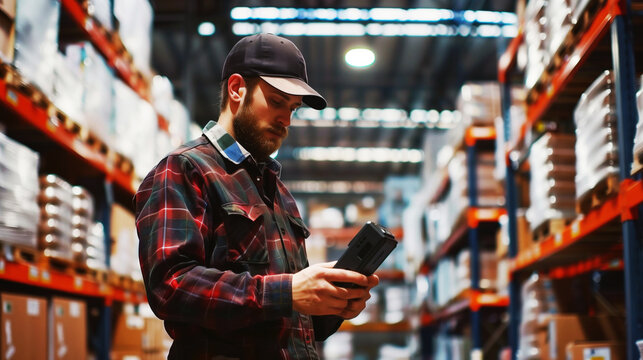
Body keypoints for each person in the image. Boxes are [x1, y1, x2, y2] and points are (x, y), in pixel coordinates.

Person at [135, 33, 379, 359]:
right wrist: (286, 291)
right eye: (277, 102)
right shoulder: (185, 168)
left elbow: (299, 320)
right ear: (237, 89)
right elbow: (170, 285)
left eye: (292, 109)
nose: (286, 120)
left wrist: (333, 304)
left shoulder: (280, 195)